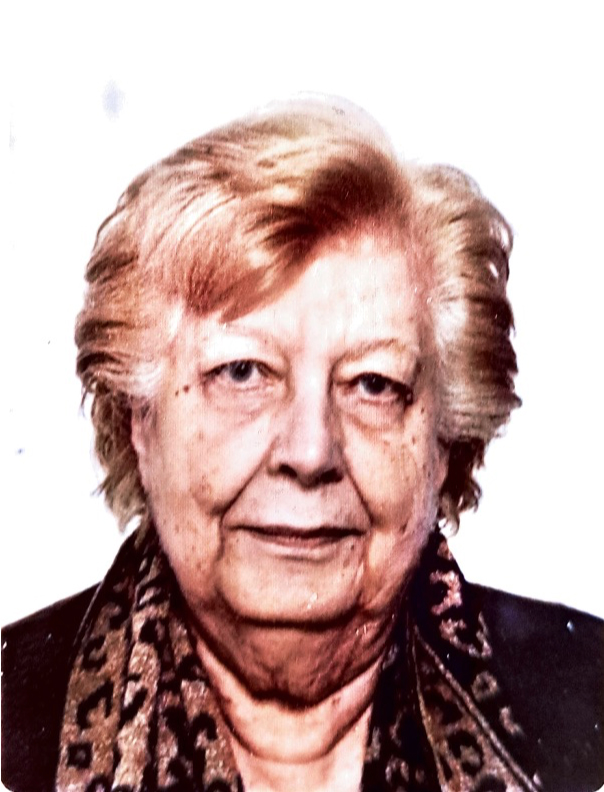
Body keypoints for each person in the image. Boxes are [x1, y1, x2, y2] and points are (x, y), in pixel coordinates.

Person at [2, 98, 602, 792]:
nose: (311, 451)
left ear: (447, 441)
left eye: (374, 384)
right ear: (139, 419)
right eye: (242, 372)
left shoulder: (588, 695)